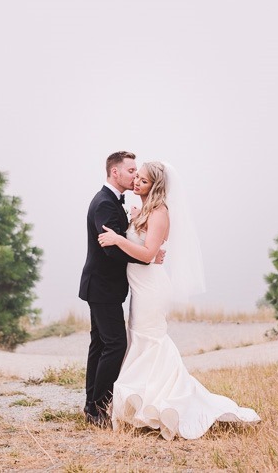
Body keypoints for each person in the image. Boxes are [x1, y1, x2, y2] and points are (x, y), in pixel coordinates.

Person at [97, 161, 260, 440]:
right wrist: (132, 222)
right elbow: (146, 245)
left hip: (151, 290)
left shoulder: (160, 213)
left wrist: (116, 239)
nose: (137, 182)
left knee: (150, 341)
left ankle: (165, 403)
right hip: (140, 288)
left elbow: (148, 255)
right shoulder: (144, 211)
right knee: (141, 341)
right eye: (137, 177)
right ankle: (145, 403)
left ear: (155, 186)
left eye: (144, 181)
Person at [78, 151, 165, 427]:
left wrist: (143, 247)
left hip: (103, 287)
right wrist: (147, 255)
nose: (134, 176)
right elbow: (112, 250)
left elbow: (120, 240)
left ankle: (91, 404)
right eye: (131, 171)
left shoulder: (114, 202)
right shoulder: (104, 203)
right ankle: (98, 406)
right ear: (115, 172)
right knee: (115, 344)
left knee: (101, 344)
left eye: (138, 173)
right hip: (102, 287)